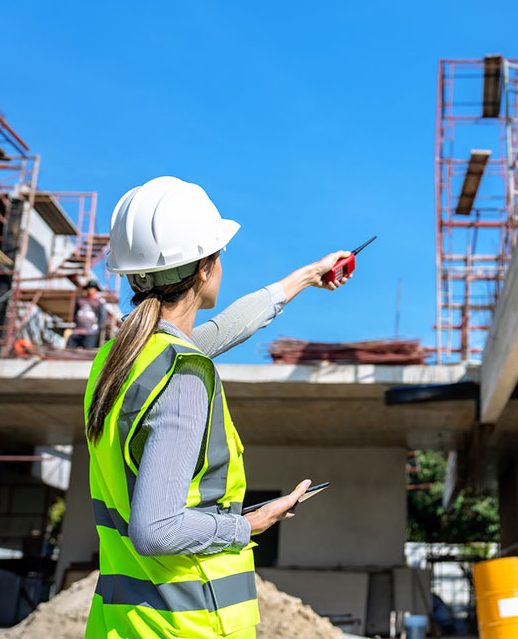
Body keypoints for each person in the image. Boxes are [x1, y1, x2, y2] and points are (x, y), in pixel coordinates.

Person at [83, 176, 352, 638]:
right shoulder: (181, 376)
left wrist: (308, 276)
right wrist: (248, 524)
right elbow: (157, 531)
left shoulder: (121, 360)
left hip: (126, 623)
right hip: (187, 625)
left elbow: (226, 328)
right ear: (205, 268)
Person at [67, 279, 107, 349]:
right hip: (77, 330)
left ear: (96, 289)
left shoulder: (100, 301)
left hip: (91, 331)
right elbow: (74, 313)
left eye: (92, 287)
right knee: (70, 347)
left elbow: (102, 316)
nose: (90, 289)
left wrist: (98, 327)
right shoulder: (80, 300)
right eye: (89, 287)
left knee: (88, 350)